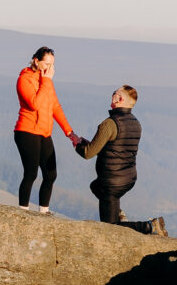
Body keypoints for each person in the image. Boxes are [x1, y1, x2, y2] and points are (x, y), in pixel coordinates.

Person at [11, 47, 79, 212]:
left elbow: (55, 107)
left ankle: (44, 211)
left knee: (50, 174)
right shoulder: (24, 80)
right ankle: (23, 211)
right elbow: (34, 104)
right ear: (36, 61)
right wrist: (46, 81)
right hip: (27, 132)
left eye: (52, 65)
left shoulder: (46, 81)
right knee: (31, 173)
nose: (50, 68)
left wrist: (69, 132)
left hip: (44, 133)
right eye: (47, 64)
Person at [75, 85, 147, 227]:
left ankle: (149, 226)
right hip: (129, 178)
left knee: (110, 227)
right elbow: (114, 150)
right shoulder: (135, 123)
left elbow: (88, 153)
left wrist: (77, 144)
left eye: (114, 93)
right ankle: (118, 213)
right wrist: (88, 143)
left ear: (119, 99)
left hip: (111, 182)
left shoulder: (109, 124)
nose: (112, 95)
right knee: (96, 186)